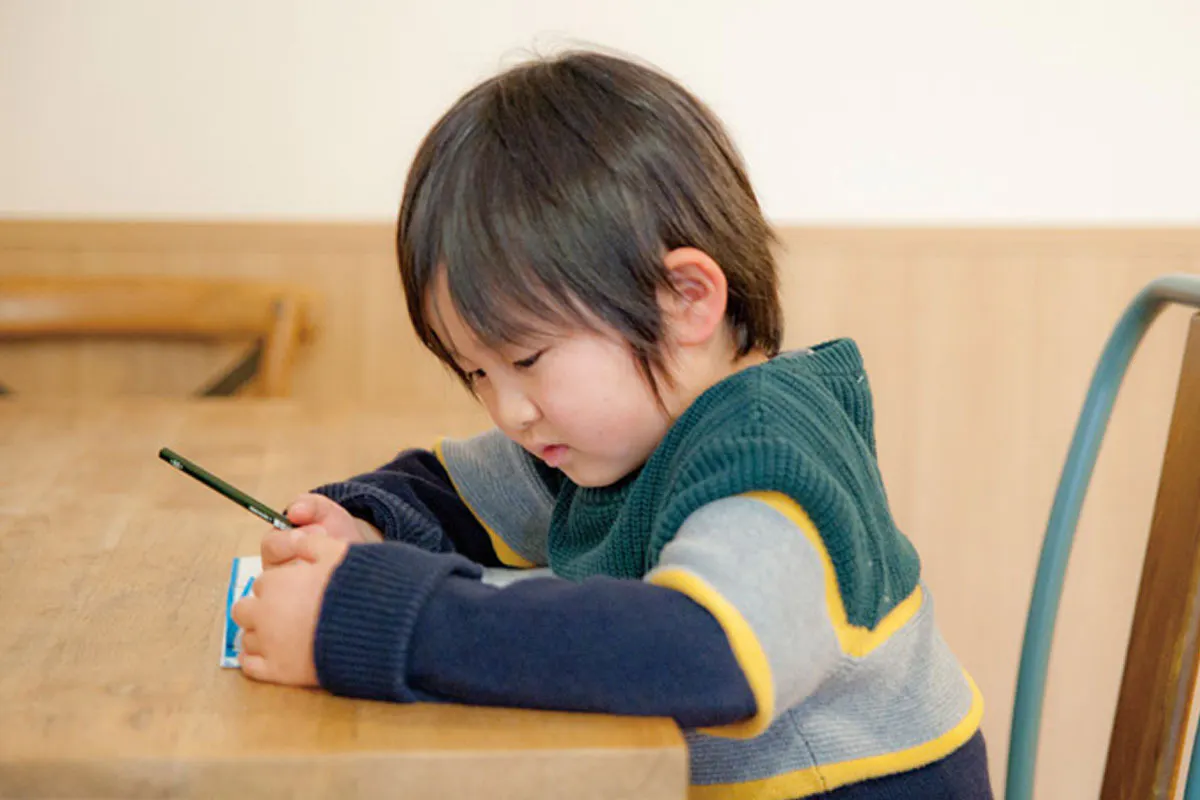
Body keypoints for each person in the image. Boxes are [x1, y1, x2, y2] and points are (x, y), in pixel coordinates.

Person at [231, 50, 992, 798]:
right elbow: (451, 491)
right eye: (476, 373)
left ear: (684, 299)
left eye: (527, 358)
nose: (509, 410)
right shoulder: (609, 436)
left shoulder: (770, 450)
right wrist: (363, 526)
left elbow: (699, 651)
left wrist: (371, 619)